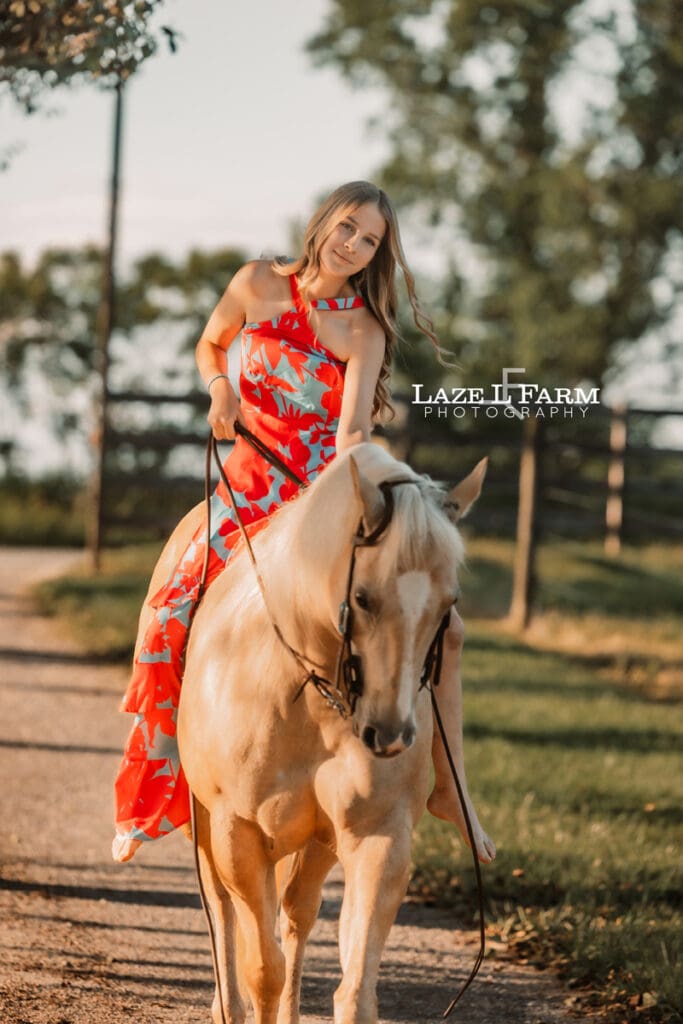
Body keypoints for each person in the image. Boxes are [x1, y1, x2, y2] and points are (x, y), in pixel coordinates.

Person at [112, 181, 496, 865]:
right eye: (347, 227)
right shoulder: (256, 283)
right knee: (172, 599)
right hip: (243, 483)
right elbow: (210, 344)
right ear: (323, 223)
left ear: (377, 253)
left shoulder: (363, 329)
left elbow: (350, 432)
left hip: (310, 496)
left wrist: (385, 486)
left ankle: (450, 788)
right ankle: (163, 763)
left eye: (369, 240)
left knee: (433, 624)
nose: (353, 245)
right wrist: (220, 386)